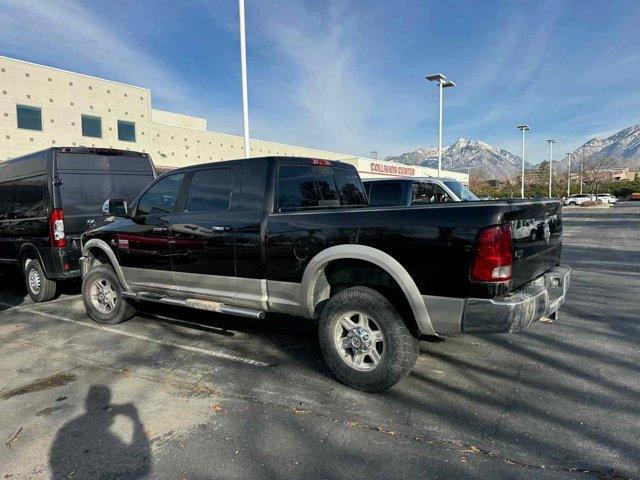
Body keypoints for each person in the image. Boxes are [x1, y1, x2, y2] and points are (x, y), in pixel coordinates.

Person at [49, 385, 151, 479]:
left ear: (87, 402)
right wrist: (135, 419)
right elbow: (142, 464)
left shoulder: (72, 425)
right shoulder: (104, 436)